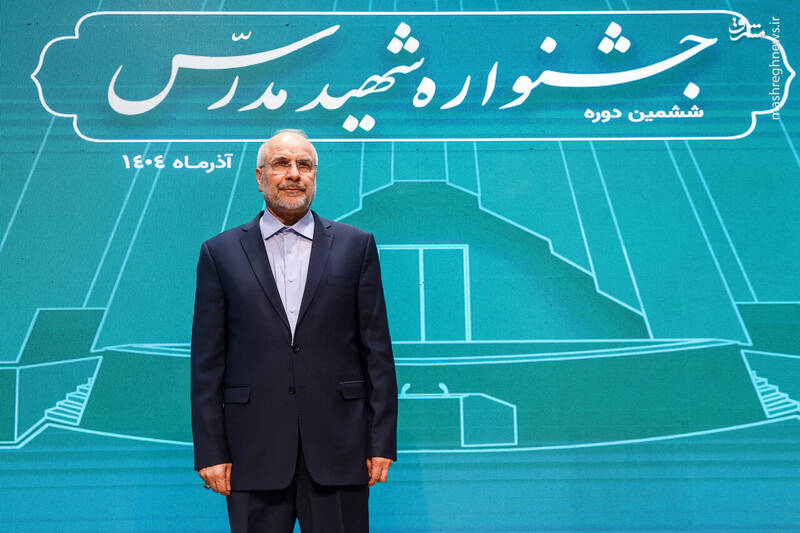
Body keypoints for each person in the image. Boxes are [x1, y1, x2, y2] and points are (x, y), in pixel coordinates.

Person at [190, 129, 398, 533]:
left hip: (341, 449)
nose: (293, 173)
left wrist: (381, 441)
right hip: (252, 452)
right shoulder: (220, 253)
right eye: (281, 164)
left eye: (304, 165)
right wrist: (211, 451)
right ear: (259, 177)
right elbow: (207, 363)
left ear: (315, 176)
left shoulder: (356, 246)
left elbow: (377, 352)